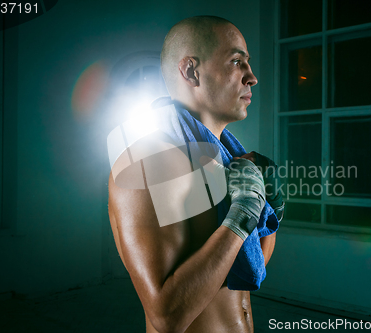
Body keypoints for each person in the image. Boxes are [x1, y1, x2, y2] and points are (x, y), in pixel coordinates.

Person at [108, 16, 282, 333]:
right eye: (237, 62)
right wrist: (243, 214)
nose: (252, 78)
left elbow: (243, 272)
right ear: (191, 71)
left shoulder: (230, 161)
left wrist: (271, 212)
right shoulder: (149, 163)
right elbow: (167, 317)